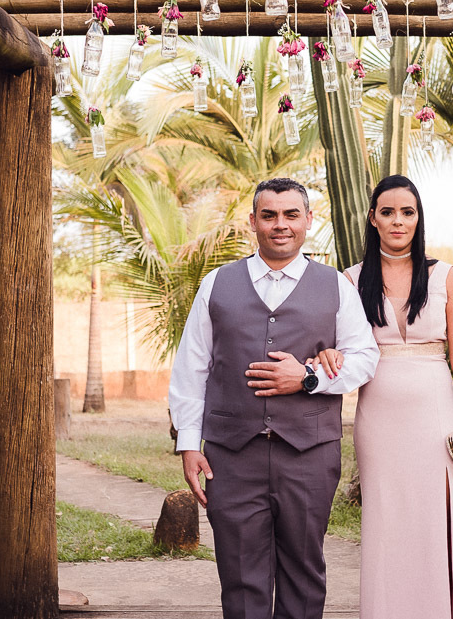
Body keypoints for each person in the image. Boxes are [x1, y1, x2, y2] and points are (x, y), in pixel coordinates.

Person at [168, 177, 380, 619]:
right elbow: (192, 368)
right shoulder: (217, 284)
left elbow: (364, 357)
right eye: (269, 216)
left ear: (308, 221)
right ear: (253, 222)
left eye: (290, 215)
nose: (279, 225)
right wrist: (189, 443)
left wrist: (306, 377)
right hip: (231, 454)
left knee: (304, 573)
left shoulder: (336, 286)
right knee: (240, 576)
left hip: (309, 455)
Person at [312, 174, 453, 619]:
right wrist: (330, 351)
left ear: (418, 218)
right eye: (387, 212)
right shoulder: (349, 281)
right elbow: (335, 347)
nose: (398, 221)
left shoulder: (445, 277)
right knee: (387, 522)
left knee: (436, 520)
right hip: (378, 420)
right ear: (373, 219)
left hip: (435, 416)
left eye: (407, 212)